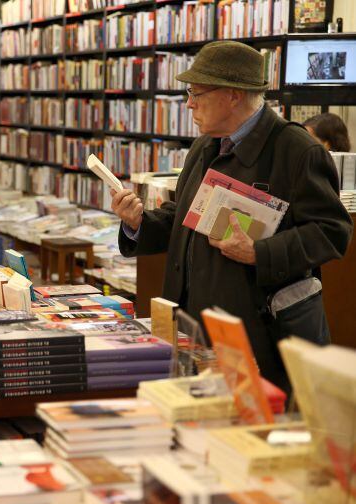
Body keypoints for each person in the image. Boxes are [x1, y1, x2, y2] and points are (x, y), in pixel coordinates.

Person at [110, 41, 353, 393]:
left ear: (234, 95)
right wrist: (138, 224)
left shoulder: (297, 151)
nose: (189, 103)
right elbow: (184, 216)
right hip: (194, 330)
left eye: (196, 92)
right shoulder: (205, 145)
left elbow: (332, 232)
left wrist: (260, 252)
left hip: (256, 338)